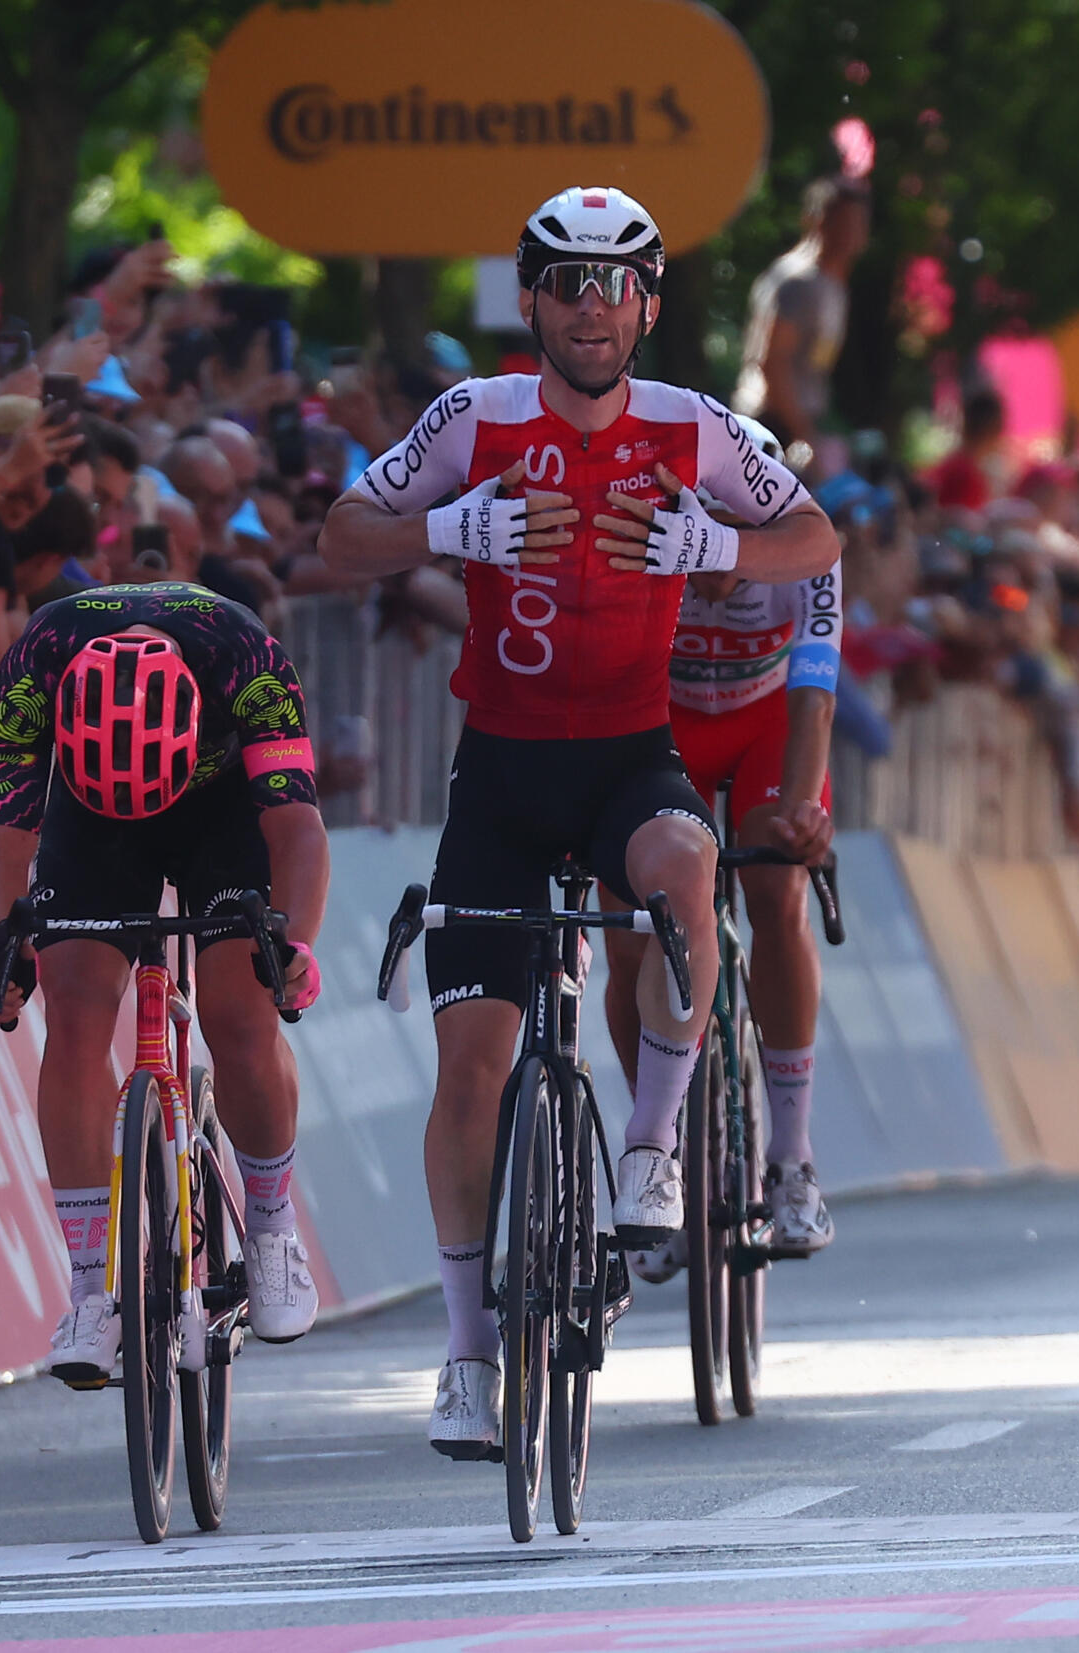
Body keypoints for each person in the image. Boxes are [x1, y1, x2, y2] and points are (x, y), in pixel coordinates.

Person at [317, 185, 838, 1458]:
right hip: (497, 774)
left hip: (626, 761)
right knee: (473, 1072)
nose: (590, 309)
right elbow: (339, 540)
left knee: (686, 870)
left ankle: (651, 1147)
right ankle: (463, 1356)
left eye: (614, 287)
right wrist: (453, 526)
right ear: (532, 299)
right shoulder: (474, 417)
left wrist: (710, 547)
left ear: (647, 304)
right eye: (566, 284)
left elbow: (815, 539)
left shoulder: (694, 427)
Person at [0, 581, 331, 1386]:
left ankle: (271, 1230)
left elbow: (298, 828)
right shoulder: (38, 662)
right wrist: (2, 954)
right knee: (74, 1016)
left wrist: (293, 943)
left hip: (223, 810)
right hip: (91, 812)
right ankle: (92, 1286)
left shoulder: (247, 659)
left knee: (241, 1016)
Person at [604, 413, 842, 1271]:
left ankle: (791, 1159)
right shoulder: (638, 541)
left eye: (724, 536)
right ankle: (654, 1153)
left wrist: (804, 812)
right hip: (661, 727)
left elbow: (816, 689)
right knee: (633, 929)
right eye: (689, 533)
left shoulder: (802, 550)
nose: (705, 561)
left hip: (766, 721)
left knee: (778, 890)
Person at [732, 179, 869, 469]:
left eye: (858, 224)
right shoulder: (797, 282)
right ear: (818, 220)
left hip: (802, 426)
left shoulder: (835, 286)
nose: (851, 234)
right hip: (770, 426)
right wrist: (803, 433)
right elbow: (773, 362)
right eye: (843, 222)